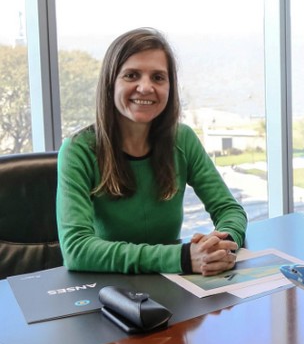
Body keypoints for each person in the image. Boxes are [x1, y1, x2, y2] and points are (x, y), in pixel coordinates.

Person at [57, 27, 247, 275]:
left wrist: (221, 245)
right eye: (131, 75)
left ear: (170, 87)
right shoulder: (78, 150)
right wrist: (182, 258)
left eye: (158, 77)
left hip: (171, 283)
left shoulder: (183, 139)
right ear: (110, 84)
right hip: (108, 288)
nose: (145, 87)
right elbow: (77, 250)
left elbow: (229, 210)